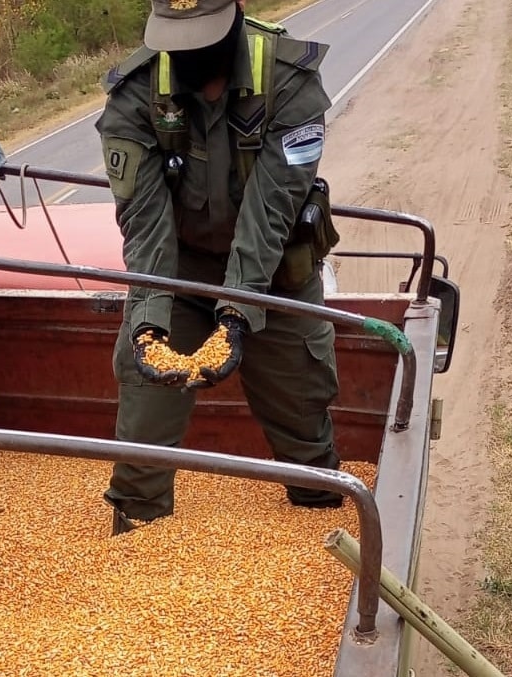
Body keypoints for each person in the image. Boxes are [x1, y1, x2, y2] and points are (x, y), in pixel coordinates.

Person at [96, 0, 342, 535]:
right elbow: (145, 223)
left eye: (205, 38)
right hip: (179, 276)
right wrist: (147, 324)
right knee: (144, 413)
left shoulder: (288, 81)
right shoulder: (137, 92)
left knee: (304, 433)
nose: (191, 55)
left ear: (238, 13)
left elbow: (269, 214)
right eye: (177, 41)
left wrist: (234, 315)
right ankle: (138, 537)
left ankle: (319, 523)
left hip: (275, 276)